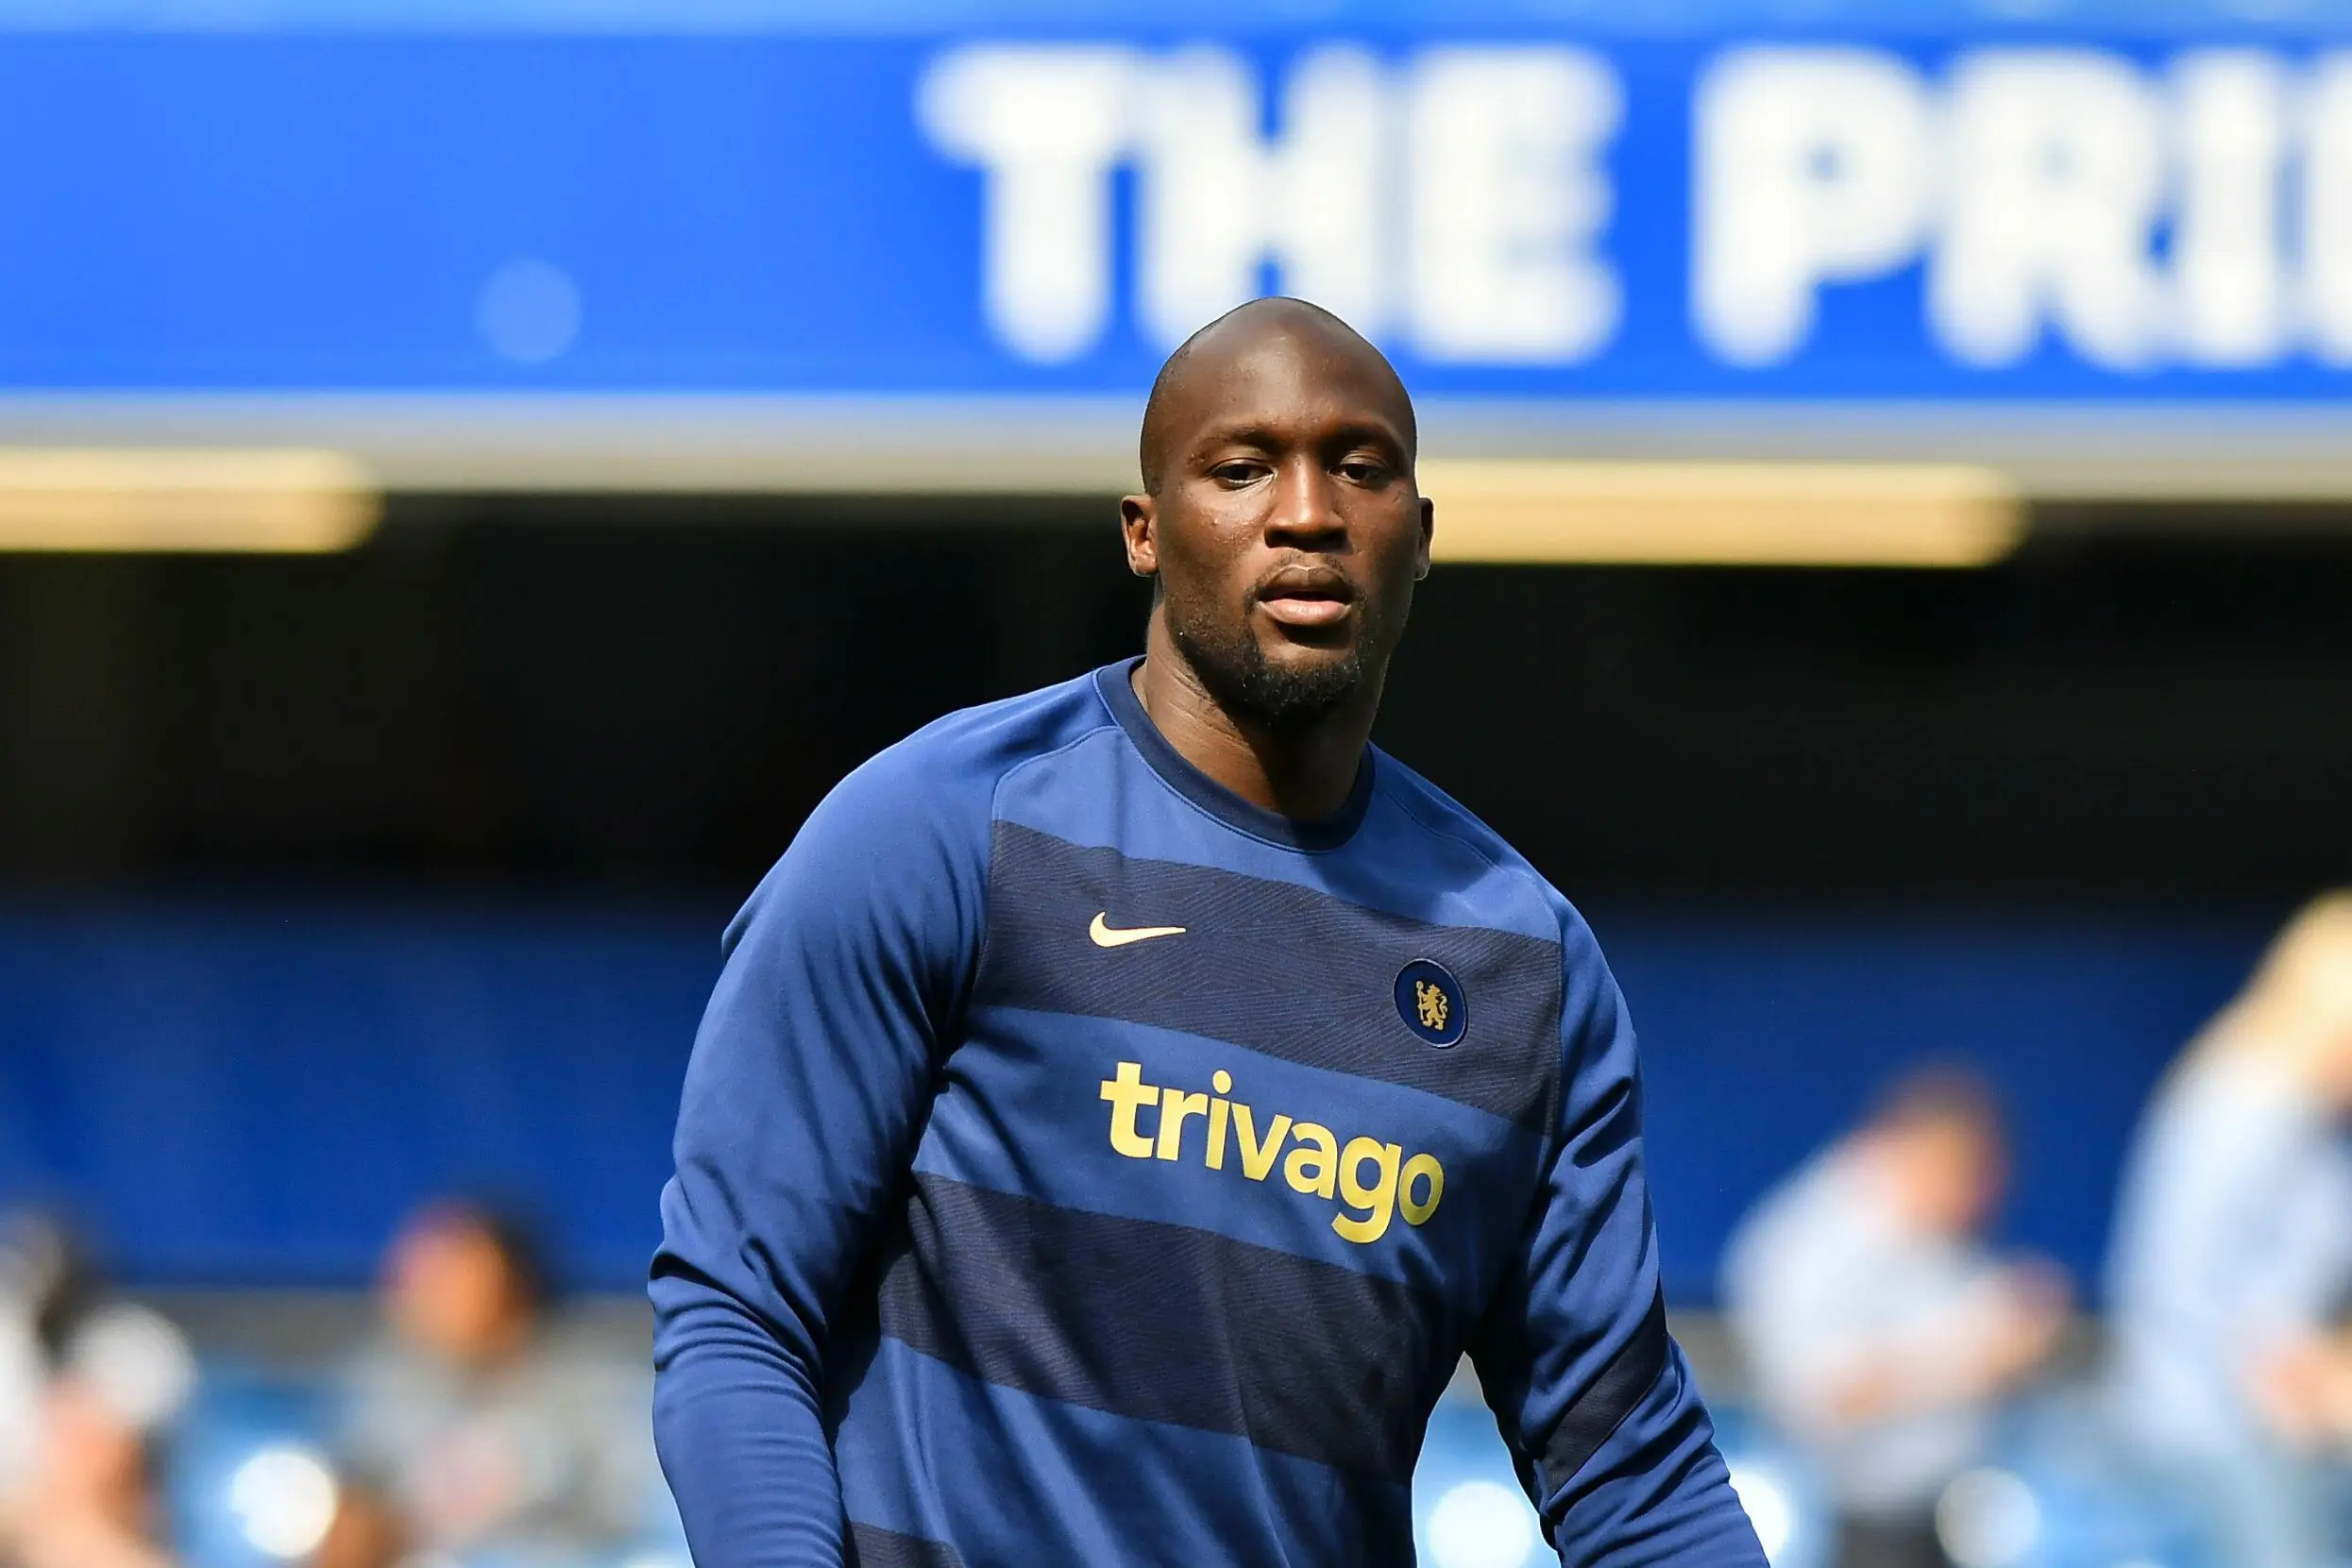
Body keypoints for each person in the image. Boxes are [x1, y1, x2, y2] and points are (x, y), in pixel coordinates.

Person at [651, 297, 1764, 1566]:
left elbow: (1632, 1475)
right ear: (1144, 532)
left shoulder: (1521, 962)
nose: (1305, 512)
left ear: (1421, 537)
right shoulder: (940, 830)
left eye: (1359, 467)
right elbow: (736, 1314)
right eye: (1240, 469)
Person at [1721, 1070, 2068, 1568]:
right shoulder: (1820, 1239)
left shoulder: (1930, 1231)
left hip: (1944, 1517)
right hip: (1847, 1532)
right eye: (1970, 1174)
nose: (1981, 1199)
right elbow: (1822, 1400)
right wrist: (1982, 1355)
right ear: (1923, 1149)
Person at [2106, 892, 2352, 1568]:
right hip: (2217, 1435)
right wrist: (2300, 1379)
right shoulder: (2242, 1104)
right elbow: (2183, 1286)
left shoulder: (2307, 1121)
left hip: (2263, 1433)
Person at [314, 1201, 646, 1568]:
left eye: (448, 1273)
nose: (421, 1290)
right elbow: (349, 1515)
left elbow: (637, 1522)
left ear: (511, 1281)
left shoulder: (592, 1385)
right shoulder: (385, 1383)